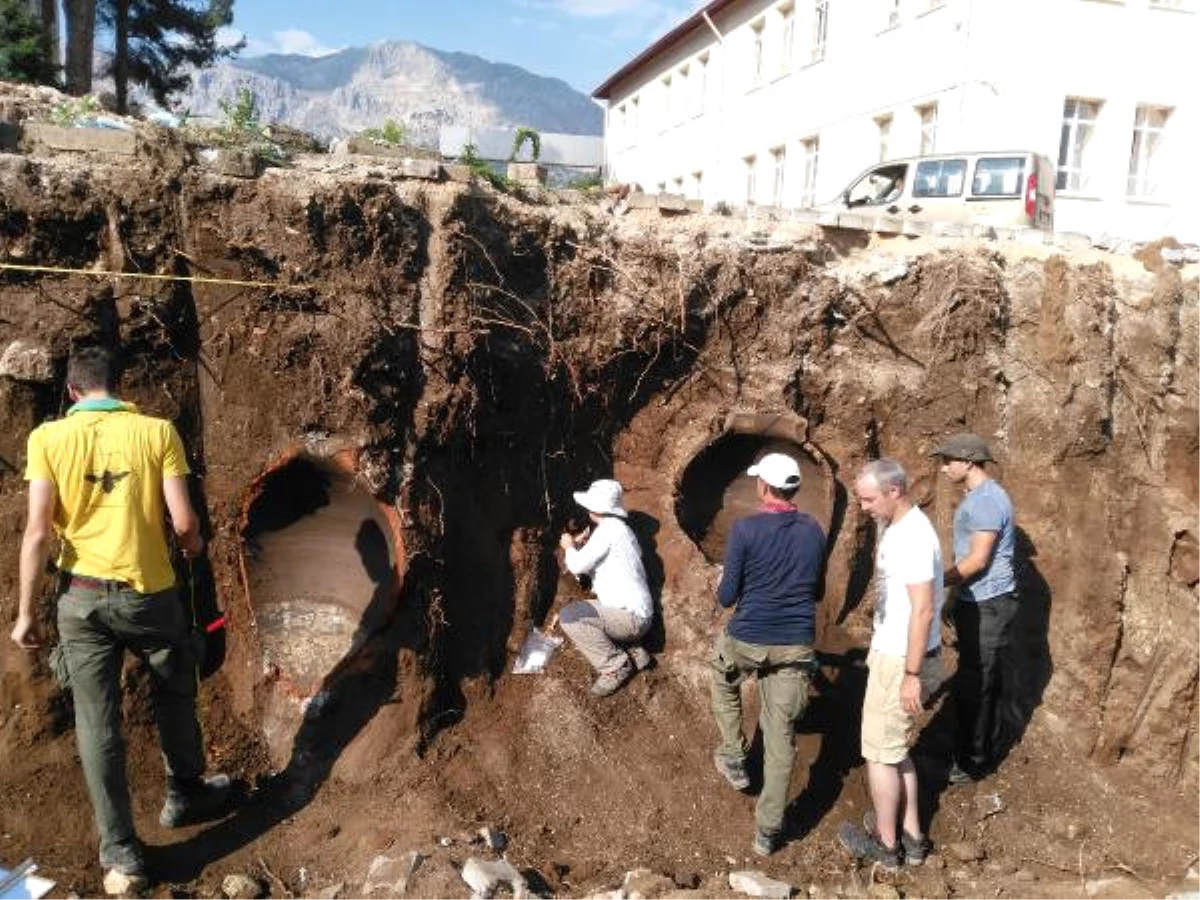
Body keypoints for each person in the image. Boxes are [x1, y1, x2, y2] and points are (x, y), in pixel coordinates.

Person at [10, 346, 231, 894]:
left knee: (97, 722)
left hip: (80, 599)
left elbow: (38, 532)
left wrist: (25, 614)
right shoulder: (156, 432)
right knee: (175, 687)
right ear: (118, 385)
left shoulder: (47, 439)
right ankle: (185, 792)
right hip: (150, 595)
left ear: (70, 391)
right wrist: (196, 547)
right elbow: (182, 522)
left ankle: (121, 854)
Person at [710, 452, 826, 857]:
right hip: (795, 644)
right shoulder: (814, 530)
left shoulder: (745, 529)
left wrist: (723, 580)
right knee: (782, 741)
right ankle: (768, 833)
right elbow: (816, 592)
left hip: (749, 638)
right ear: (793, 489)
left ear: (763, 487)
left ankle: (735, 755)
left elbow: (727, 597)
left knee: (722, 677)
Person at [838, 458, 943, 870]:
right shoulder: (905, 529)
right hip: (899, 653)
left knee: (879, 754)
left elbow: (922, 610)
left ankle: (886, 845)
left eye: (868, 499)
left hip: (901, 659)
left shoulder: (912, 537)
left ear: (894, 491)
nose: (863, 507)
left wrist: (912, 676)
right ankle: (913, 837)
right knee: (897, 750)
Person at [931, 433, 1018, 784]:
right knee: (975, 677)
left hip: (989, 604)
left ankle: (973, 762)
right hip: (977, 599)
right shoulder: (980, 496)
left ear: (968, 462)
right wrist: (955, 597)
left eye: (948, 460)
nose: (944, 466)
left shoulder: (985, 501)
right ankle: (971, 747)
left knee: (978, 684)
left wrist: (933, 584)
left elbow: (978, 560)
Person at [558, 479, 653, 697]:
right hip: (638, 614)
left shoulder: (608, 532)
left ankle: (615, 666)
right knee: (594, 609)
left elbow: (576, 565)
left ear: (596, 508)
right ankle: (634, 650)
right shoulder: (622, 531)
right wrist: (584, 546)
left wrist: (569, 546)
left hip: (631, 619)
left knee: (570, 617)